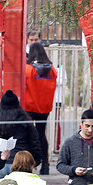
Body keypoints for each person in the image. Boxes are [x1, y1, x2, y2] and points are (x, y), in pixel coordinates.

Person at [0, 90, 41, 181]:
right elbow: (35, 142)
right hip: (22, 163)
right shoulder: (25, 121)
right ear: (17, 104)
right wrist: (36, 161)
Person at [25, 42, 57, 175]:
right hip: (44, 108)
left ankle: (29, 163)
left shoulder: (28, 69)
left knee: (27, 135)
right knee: (41, 135)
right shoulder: (52, 70)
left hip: (29, 106)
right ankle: (45, 165)